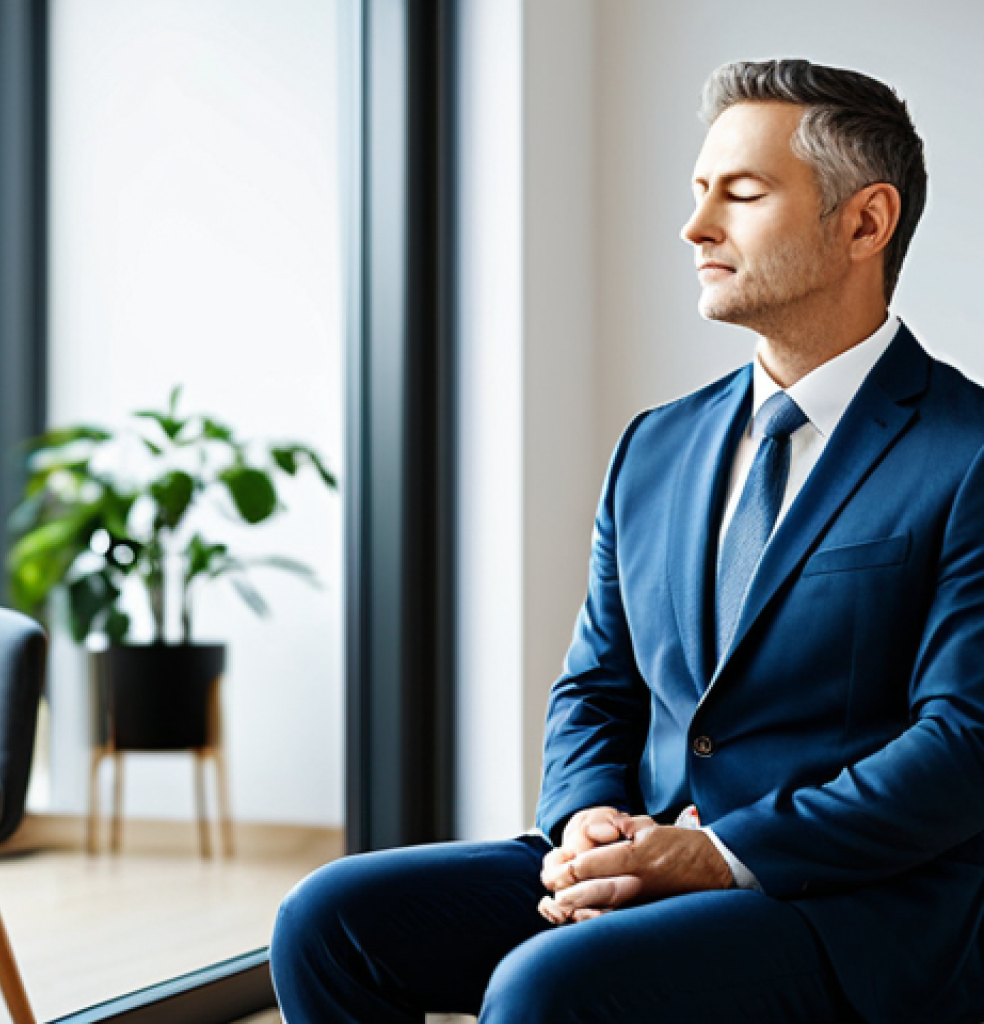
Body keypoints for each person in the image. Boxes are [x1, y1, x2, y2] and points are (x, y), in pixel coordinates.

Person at [270, 58, 984, 1023]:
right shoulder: (657, 446)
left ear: (866, 222)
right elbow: (597, 686)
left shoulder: (968, 452)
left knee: (547, 986)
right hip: (646, 846)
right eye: (698, 192)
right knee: (328, 919)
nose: (697, 229)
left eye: (741, 193)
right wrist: (584, 817)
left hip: (847, 908)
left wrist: (721, 856)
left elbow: (961, 745)